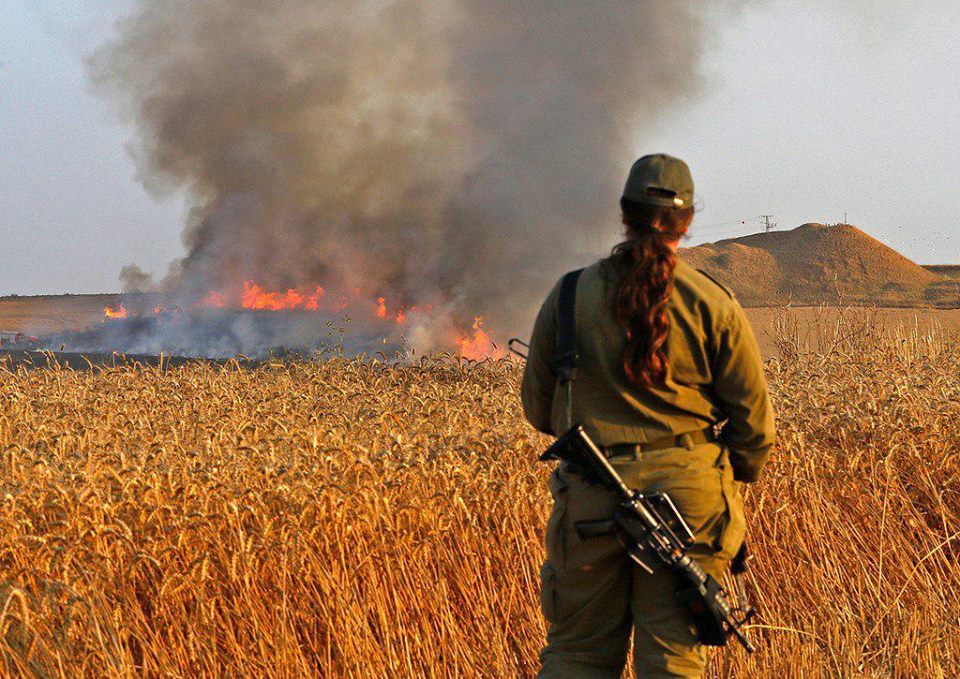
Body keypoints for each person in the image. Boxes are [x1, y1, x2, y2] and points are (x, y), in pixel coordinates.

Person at [521, 153, 776, 678]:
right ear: (688, 221)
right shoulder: (712, 302)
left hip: (590, 500)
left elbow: (539, 410)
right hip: (689, 505)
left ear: (624, 214)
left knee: (577, 657)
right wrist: (713, 473)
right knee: (673, 662)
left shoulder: (569, 296)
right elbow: (754, 428)